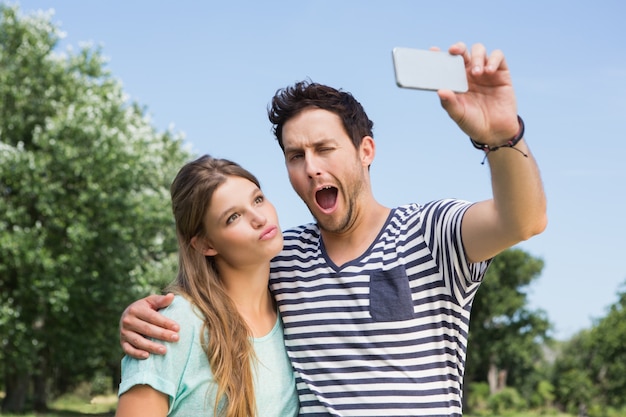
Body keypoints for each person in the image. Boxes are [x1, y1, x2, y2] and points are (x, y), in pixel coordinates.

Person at [119, 42, 547, 416]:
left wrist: (503, 137)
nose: (311, 168)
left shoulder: (429, 232)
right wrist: (144, 314)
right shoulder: (281, 258)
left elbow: (523, 220)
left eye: (324, 149)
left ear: (366, 151)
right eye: (295, 156)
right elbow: (212, 284)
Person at [115, 155, 299, 417]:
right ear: (205, 244)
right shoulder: (174, 325)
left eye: (258, 199)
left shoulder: (293, 307)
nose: (259, 217)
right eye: (233, 217)